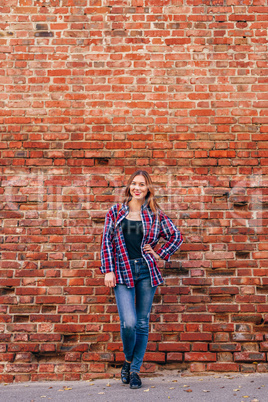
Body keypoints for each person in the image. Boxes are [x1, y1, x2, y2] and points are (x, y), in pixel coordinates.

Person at [100, 170, 183, 389]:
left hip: (146, 271)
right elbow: (107, 242)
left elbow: (176, 236)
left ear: (148, 189)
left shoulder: (155, 214)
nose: (137, 188)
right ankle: (128, 360)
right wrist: (108, 270)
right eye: (134, 184)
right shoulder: (115, 212)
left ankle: (135, 370)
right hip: (121, 271)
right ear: (129, 187)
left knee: (143, 322)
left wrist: (159, 253)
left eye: (142, 185)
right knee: (129, 323)